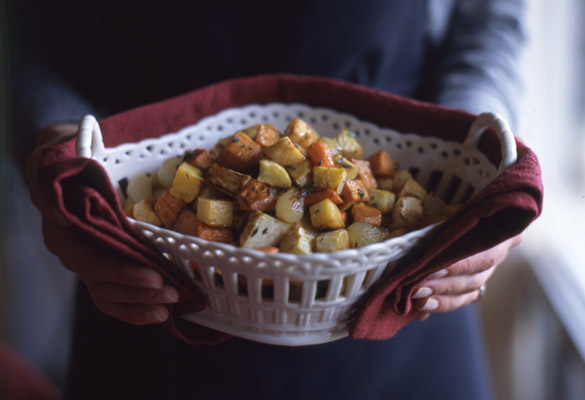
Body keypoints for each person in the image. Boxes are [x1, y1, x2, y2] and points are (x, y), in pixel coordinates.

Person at [8, 1, 527, 399]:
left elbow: (487, 25)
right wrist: (60, 156)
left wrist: (474, 163)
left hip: (404, 285)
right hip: (145, 276)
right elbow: (28, 29)